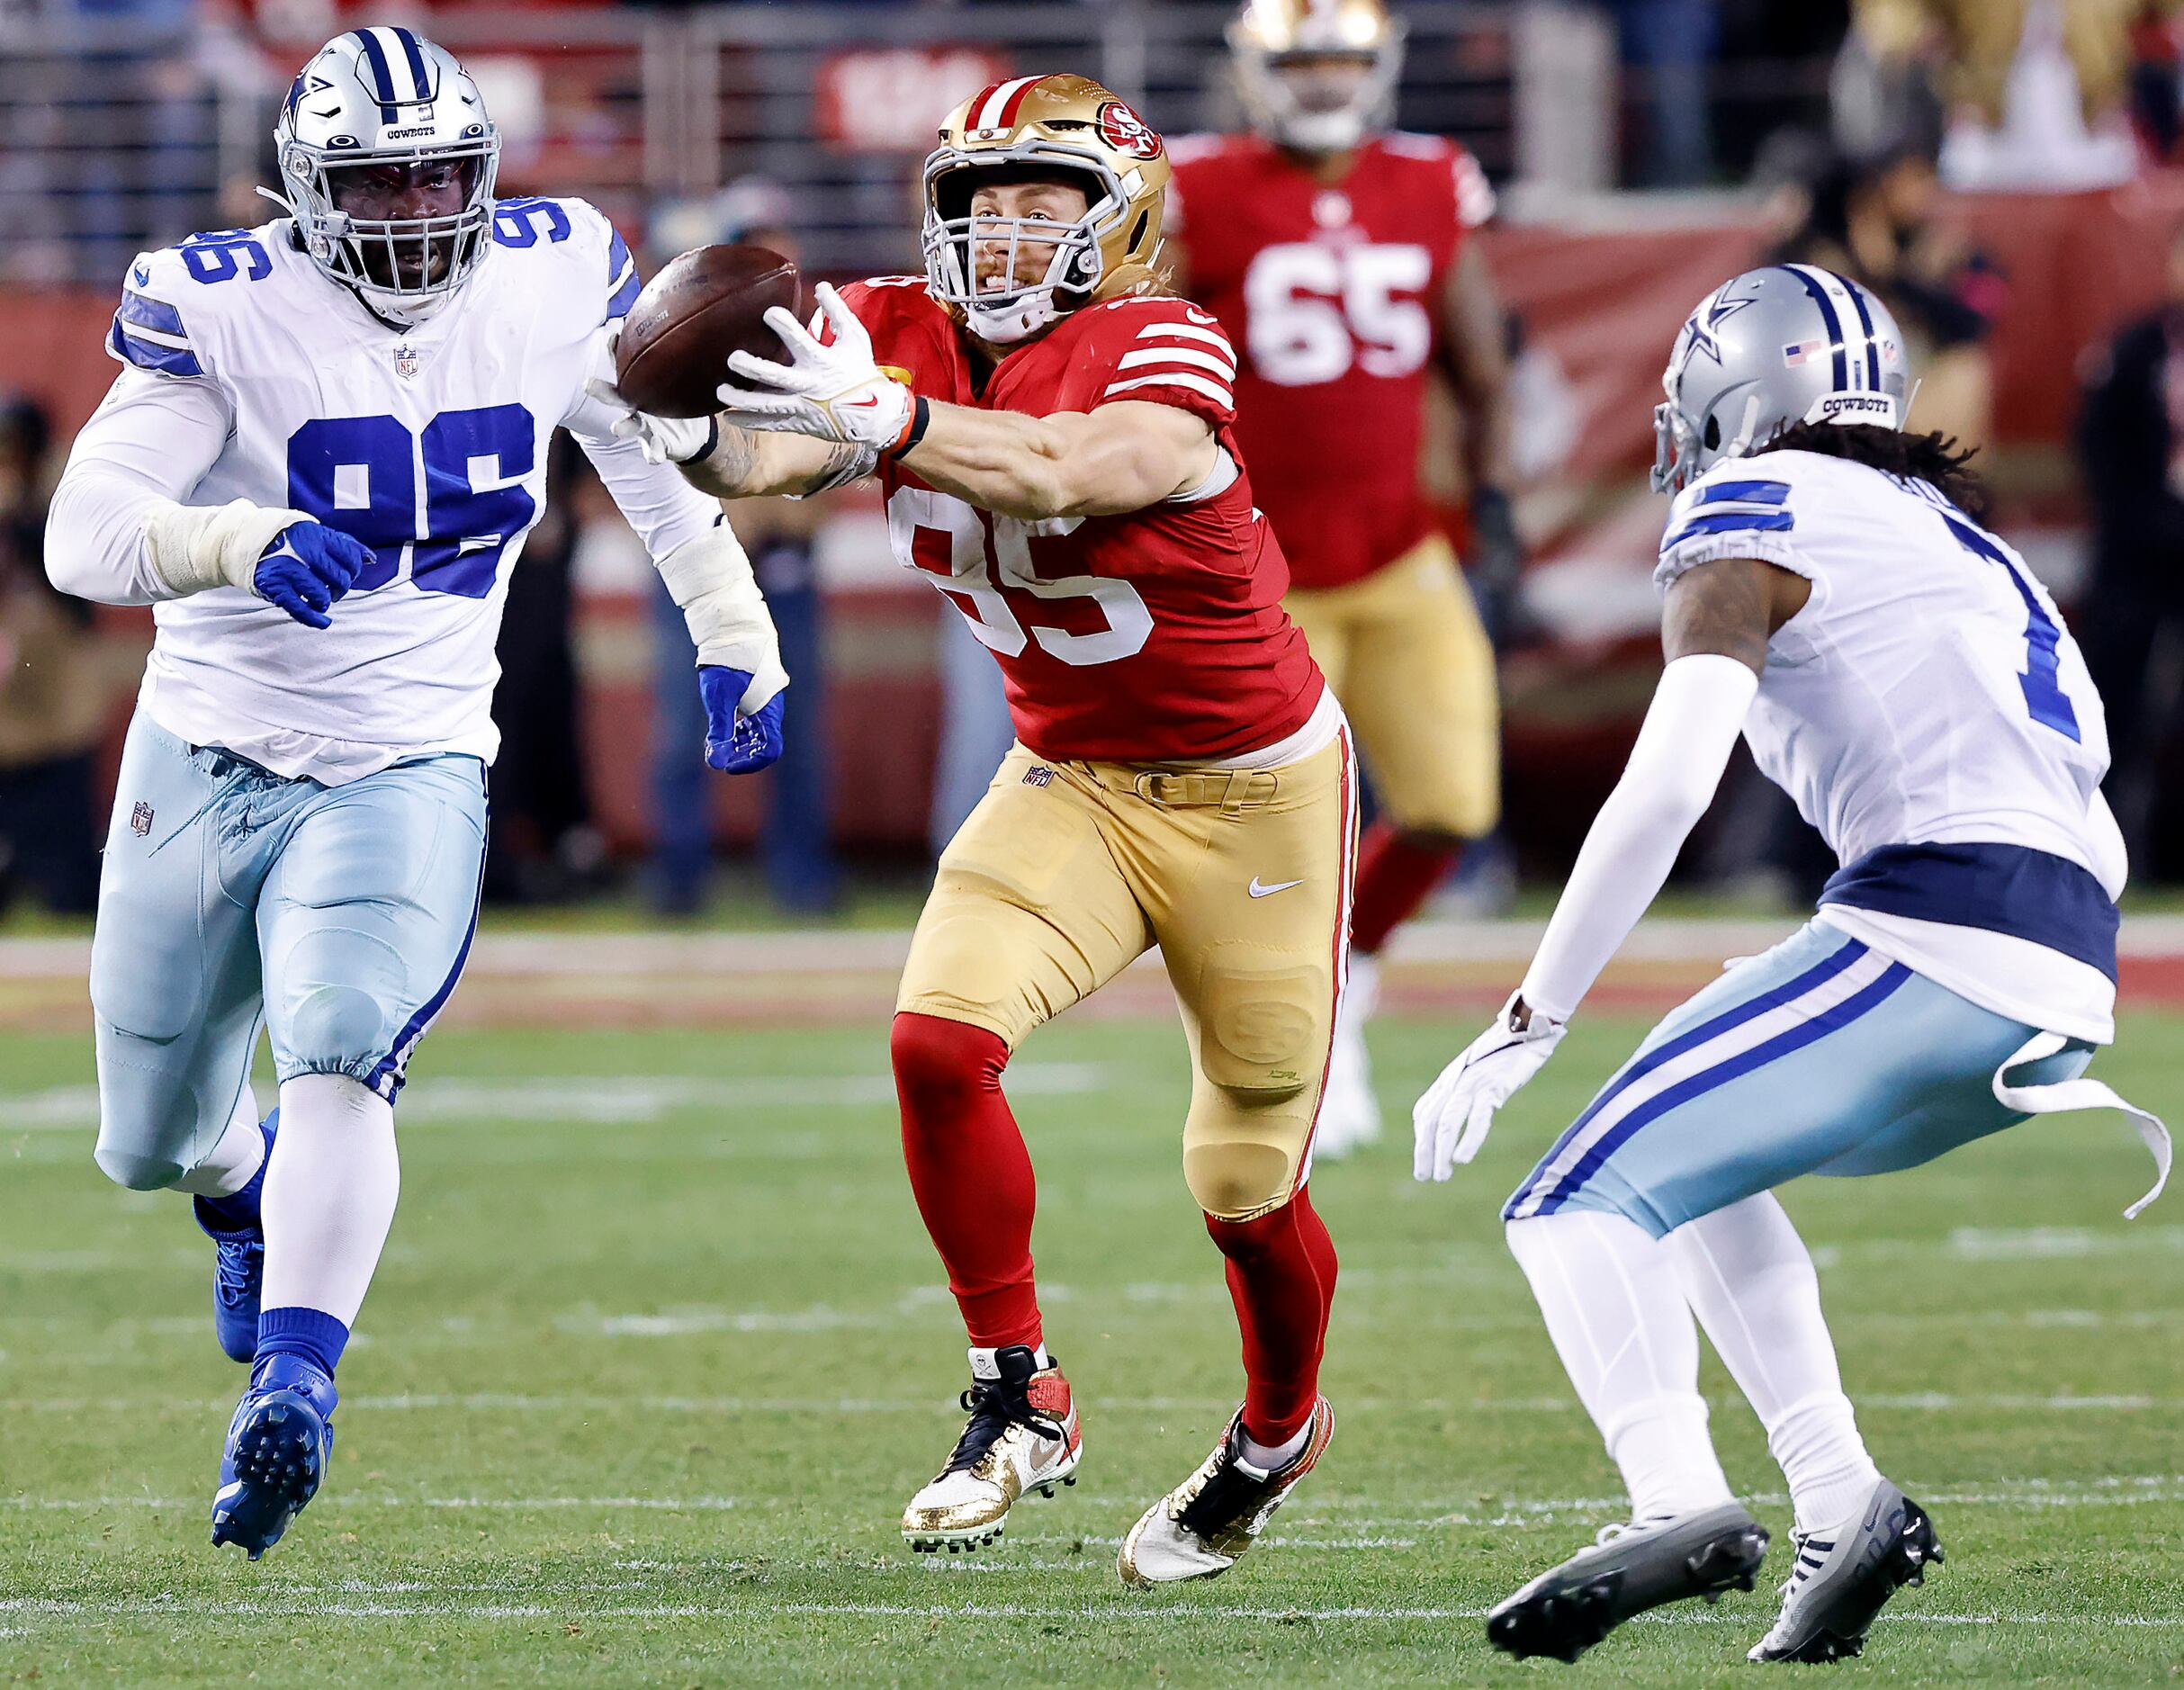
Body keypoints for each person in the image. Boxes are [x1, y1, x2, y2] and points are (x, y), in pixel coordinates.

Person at [43, 28, 786, 1560]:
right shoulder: (225, 303)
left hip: (413, 750)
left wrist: (731, 624)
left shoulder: (546, 272)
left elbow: (644, 460)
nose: (419, 208)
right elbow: (84, 532)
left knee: (338, 1044)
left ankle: (296, 1383)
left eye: (447, 173)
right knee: (152, 1137)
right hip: (206, 742)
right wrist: (231, 542)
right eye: (382, 180)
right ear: (308, 188)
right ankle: (235, 1186)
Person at [597, 72, 1348, 1587]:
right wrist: (695, 422)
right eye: (977, 204)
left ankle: (1274, 1432)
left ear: (1120, 218)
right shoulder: (883, 325)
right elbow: (771, 464)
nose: (1001, 236)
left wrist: (890, 418)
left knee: (1244, 1183)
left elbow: (1072, 469)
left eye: (1039, 203)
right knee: (936, 1041)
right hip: (1066, 773)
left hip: (1250, 790)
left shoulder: (1162, 338)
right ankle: (1019, 1390)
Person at [1410, 265, 2169, 1664]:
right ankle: (1839, 1497)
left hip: (1936, 925)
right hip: (2055, 958)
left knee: (1569, 1201)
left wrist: (1531, 1012)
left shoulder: (1750, 504)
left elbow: (1666, 780)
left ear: (1735, 395)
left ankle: (1674, 1499)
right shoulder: (1933, 525)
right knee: (1696, 1157)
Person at [1164, 0, 1512, 1155]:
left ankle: (1348, 977)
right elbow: (1138, 351)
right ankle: (1306, 1035)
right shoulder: (1196, 188)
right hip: (1259, 569)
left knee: (1453, 803)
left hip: (1400, 550)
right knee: (1280, 837)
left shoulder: (1430, 178)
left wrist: (1496, 491)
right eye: (1302, 59)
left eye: (1343, 59)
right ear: (1257, 69)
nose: (1323, 79)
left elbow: (1478, 354)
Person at [2074, 225, 2184, 880]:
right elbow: (2099, 448)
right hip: (2141, 547)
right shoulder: (2133, 348)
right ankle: (2105, 851)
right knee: (2114, 706)